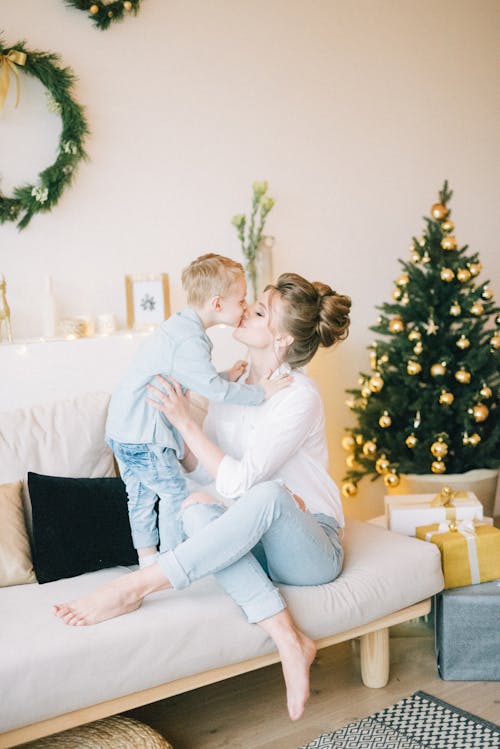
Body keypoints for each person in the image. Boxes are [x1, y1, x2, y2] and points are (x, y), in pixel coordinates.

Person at [54, 273, 351, 721]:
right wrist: (174, 421)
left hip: (313, 545)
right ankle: (289, 639)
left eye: (259, 311)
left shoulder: (297, 396)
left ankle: (136, 585)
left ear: (283, 339)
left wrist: (188, 422)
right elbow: (203, 469)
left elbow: (241, 483)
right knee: (195, 514)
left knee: (268, 495)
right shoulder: (236, 383)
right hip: (253, 537)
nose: (245, 309)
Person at [105, 253, 290, 566]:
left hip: (121, 431)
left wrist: (223, 376)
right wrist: (262, 391)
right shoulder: (192, 341)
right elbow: (214, 391)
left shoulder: (177, 328)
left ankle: (147, 560)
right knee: (174, 494)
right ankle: (171, 563)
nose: (245, 307)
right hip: (145, 435)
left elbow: (194, 381)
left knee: (139, 496)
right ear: (217, 304)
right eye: (242, 300)